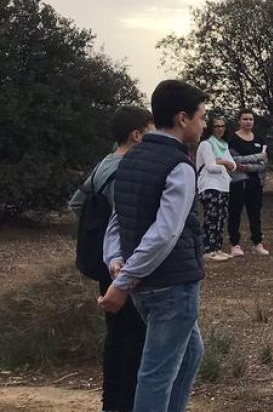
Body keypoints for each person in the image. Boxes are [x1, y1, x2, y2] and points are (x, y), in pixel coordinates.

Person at [100, 80, 210, 412]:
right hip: (171, 286)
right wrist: (122, 280)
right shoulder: (179, 166)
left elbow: (117, 219)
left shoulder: (132, 158)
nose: (203, 124)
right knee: (156, 374)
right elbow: (165, 233)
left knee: (192, 352)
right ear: (182, 118)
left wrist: (116, 259)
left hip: (145, 286)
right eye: (201, 117)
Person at [68, 106, 151, 412]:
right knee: (134, 337)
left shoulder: (104, 163)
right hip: (123, 265)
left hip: (105, 266)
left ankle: (111, 402)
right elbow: (125, 219)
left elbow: (77, 203)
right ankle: (125, 403)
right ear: (137, 134)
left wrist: (97, 231)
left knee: (115, 335)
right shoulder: (128, 168)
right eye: (151, 128)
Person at [227, 110, 269, 257]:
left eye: (250, 119)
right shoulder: (232, 139)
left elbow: (264, 163)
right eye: (245, 119)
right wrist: (256, 157)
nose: (248, 122)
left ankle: (257, 243)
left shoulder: (260, 140)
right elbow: (234, 161)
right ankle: (234, 244)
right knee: (235, 212)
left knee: (255, 213)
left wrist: (250, 166)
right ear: (239, 120)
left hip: (255, 182)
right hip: (238, 182)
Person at [196, 117, 236, 261]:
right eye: (216, 126)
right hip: (210, 185)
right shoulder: (206, 145)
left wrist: (222, 162)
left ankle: (217, 248)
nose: (220, 129)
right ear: (211, 128)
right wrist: (223, 163)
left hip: (223, 186)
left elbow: (233, 165)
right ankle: (207, 249)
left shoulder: (223, 145)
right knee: (211, 218)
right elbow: (210, 167)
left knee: (220, 218)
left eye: (222, 126)